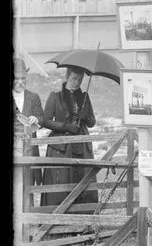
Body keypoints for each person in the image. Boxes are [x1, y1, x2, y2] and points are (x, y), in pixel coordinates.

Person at [40, 66, 97, 207]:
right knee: (62, 181)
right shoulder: (55, 96)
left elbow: (92, 122)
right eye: (74, 78)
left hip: (82, 146)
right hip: (61, 147)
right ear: (67, 77)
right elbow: (45, 121)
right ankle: (58, 219)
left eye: (80, 79)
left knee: (83, 179)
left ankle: (83, 218)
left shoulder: (85, 97)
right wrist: (65, 126)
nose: (77, 82)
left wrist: (86, 117)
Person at [13, 57, 46, 192]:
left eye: (23, 78)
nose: (21, 82)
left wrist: (36, 120)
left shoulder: (33, 97)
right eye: (17, 78)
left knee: (28, 188)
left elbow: (43, 120)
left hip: (29, 150)